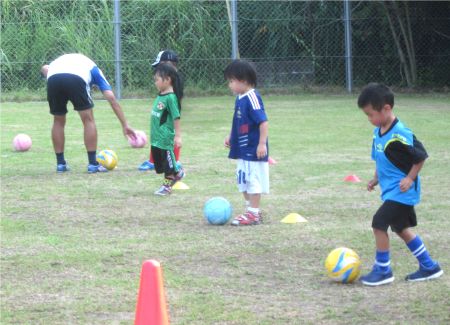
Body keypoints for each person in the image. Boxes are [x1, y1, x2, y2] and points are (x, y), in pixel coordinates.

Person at [358, 83, 443, 286]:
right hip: (391, 192)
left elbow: (420, 157)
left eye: (371, 114)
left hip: (402, 191)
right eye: (367, 115)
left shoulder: (401, 133)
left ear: (386, 108)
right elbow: (380, 158)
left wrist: (410, 178)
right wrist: (376, 178)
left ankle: (383, 270)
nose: (369, 119)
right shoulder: (378, 131)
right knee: (400, 229)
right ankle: (429, 266)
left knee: (379, 223)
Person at [41, 53, 136, 173]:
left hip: (53, 78)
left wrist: (61, 91)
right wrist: (125, 124)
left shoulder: (67, 60)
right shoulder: (95, 70)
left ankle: (60, 164)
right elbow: (111, 98)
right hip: (77, 78)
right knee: (88, 120)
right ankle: (92, 164)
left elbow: (44, 68)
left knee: (58, 121)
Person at [223, 59, 269, 226]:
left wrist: (262, 144)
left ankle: (254, 214)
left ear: (243, 80)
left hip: (253, 149)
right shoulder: (240, 98)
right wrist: (230, 135)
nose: (229, 85)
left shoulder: (253, 97)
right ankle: (252, 210)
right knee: (242, 180)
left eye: (231, 81)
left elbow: (263, 121)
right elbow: (237, 120)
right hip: (242, 149)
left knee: (254, 181)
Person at [139, 50, 184, 171]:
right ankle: (153, 160)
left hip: (168, 116)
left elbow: (177, 100)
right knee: (157, 135)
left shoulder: (175, 80)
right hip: (162, 114)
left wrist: (174, 114)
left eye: (160, 65)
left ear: (168, 63)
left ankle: (175, 161)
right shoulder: (169, 81)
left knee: (167, 136)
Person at [150, 63, 184, 195]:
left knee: (168, 161)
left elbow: (176, 117)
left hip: (165, 136)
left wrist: (177, 135)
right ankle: (178, 173)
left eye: (157, 79)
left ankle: (167, 186)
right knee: (161, 161)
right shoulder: (161, 95)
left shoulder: (171, 98)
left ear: (168, 79)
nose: (155, 83)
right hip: (156, 137)